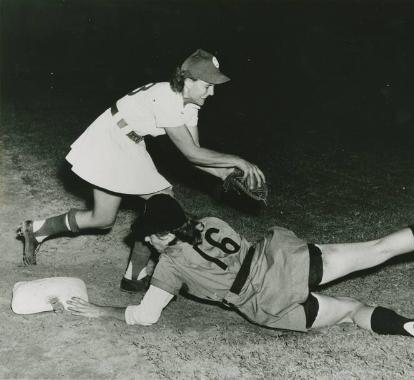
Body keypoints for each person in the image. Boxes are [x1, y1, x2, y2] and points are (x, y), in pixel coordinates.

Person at [67, 194, 414, 344]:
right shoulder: (210, 222)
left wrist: (101, 310)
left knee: (353, 309)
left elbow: (144, 317)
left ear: (158, 236)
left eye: (148, 235)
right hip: (286, 260)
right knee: (379, 248)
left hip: (268, 301)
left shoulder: (169, 269)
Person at [17, 49, 266, 290]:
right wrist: (239, 161)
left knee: (104, 219)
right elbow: (192, 153)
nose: (211, 92)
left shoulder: (190, 104)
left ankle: (36, 229)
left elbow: (195, 154)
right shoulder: (167, 98)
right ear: (188, 81)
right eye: (207, 85)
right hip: (110, 140)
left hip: (129, 143)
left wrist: (224, 173)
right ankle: (134, 276)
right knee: (160, 203)